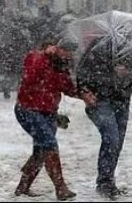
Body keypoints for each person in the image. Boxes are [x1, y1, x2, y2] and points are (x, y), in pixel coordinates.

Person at [14, 39, 97, 200]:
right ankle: (61, 188)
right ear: (56, 48)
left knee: (40, 150)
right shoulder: (36, 57)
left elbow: (66, 87)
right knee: (49, 145)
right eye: (66, 51)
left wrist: (83, 95)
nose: (68, 55)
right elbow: (30, 76)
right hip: (28, 109)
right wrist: (47, 58)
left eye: (71, 53)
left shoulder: (62, 66)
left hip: (48, 112)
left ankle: (23, 187)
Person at [77, 28, 132, 198]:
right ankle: (104, 182)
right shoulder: (99, 46)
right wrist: (84, 90)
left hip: (122, 99)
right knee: (111, 137)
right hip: (100, 99)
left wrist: (128, 72)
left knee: (117, 141)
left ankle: (108, 179)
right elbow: (82, 71)